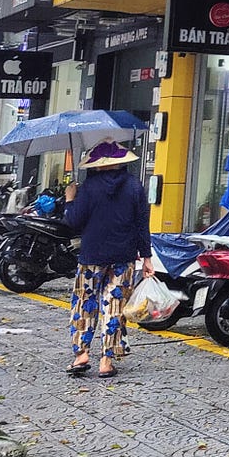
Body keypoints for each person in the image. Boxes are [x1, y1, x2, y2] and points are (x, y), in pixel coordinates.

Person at [62, 141, 152, 379]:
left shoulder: (89, 187)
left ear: (98, 165)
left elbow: (73, 222)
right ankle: (106, 361)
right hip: (124, 256)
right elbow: (142, 224)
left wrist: (70, 199)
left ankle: (81, 355)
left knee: (84, 303)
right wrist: (147, 257)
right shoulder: (134, 186)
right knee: (114, 307)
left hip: (92, 255)